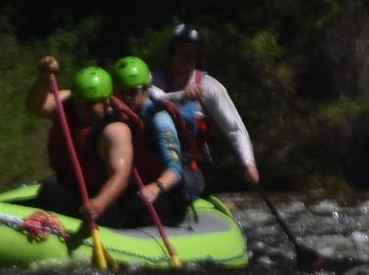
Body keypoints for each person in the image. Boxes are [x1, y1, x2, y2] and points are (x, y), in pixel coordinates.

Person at [25, 57, 152, 231]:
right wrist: (43, 78)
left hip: (109, 205)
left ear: (106, 101)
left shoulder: (116, 130)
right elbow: (36, 106)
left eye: (91, 105)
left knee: (101, 212)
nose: (83, 110)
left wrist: (99, 204)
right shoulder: (70, 103)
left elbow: (120, 176)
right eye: (80, 104)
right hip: (75, 191)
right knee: (49, 192)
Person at [150, 23, 259, 189]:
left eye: (191, 54)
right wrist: (183, 96)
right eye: (181, 52)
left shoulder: (210, 87)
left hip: (191, 167)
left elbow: (234, 129)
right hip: (154, 162)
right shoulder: (154, 80)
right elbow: (154, 97)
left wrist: (248, 163)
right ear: (172, 53)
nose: (185, 58)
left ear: (198, 57)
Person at [110, 54, 201, 220]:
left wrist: (155, 188)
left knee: (130, 210)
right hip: (132, 187)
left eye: (132, 92)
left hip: (165, 193)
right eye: (120, 92)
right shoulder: (113, 116)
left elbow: (174, 170)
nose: (126, 98)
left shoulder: (160, 119)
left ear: (145, 90)